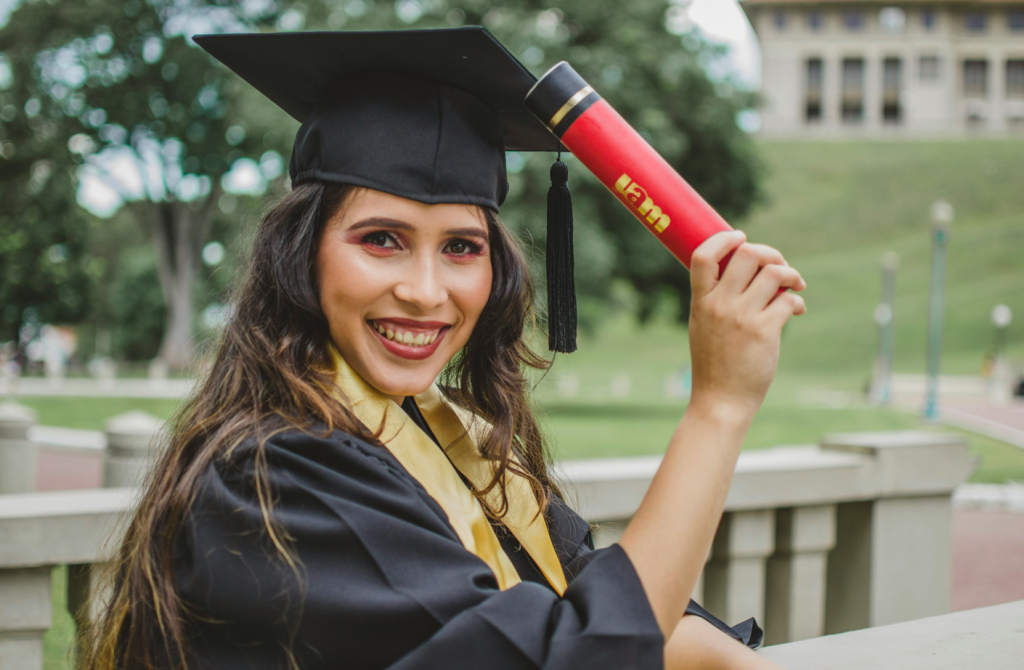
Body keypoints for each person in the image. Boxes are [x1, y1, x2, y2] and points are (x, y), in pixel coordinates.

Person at [81, 28, 806, 670]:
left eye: (462, 247)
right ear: (302, 256)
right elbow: (577, 653)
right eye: (382, 240)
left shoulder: (448, 436)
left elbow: (587, 599)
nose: (427, 292)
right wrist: (719, 406)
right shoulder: (274, 477)